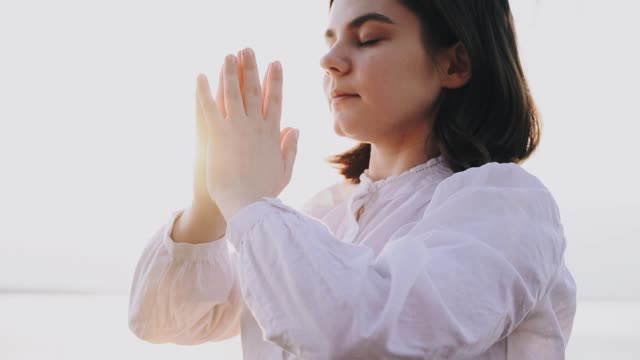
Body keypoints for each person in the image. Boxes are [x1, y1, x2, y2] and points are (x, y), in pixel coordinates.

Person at [128, 0, 577, 358]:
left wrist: (246, 199)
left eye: (368, 38)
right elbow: (165, 320)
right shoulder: (325, 214)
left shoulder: (508, 206)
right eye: (329, 40)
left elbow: (364, 333)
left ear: (454, 64)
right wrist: (212, 205)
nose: (329, 61)